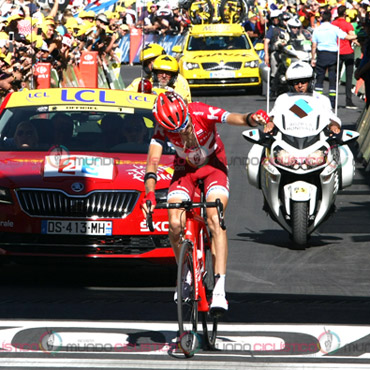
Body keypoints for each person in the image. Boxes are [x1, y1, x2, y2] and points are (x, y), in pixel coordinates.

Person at [140, 92, 267, 313]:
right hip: (185, 170)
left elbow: (232, 117)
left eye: (185, 126)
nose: (183, 133)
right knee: (175, 222)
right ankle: (186, 272)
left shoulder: (200, 110)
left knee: (214, 218)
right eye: (175, 132)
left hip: (214, 168)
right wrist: (149, 193)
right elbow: (152, 163)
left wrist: (251, 118)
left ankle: (219, 288)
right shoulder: (161, 129)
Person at [261, 61, 341, 134]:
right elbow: (272, 116)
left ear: (310, 81)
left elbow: (331, 118)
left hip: (317, 142)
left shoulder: (322, 99)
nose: (300, 85)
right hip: (286, 141)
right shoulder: (283, 98)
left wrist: (333, 126)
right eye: (296, 83)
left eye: (303, 82)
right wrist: (270, 123)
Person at [311, 10, 357, 108]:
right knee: (332, 78)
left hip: (321, 54)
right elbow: (346, 36)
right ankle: (332, 102)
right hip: (332, 55)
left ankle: (318, 101)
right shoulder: (334, 28)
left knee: (320, 78)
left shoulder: (317, 29)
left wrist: (313, 58)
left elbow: (314, 46)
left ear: (322, 18)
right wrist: (358, 36)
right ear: (331, 18)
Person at [332, 5, 358, 109]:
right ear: (345, 14)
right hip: (347, 52)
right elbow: (353, 37)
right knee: (348, 77)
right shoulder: (348, 25)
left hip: (337, 52)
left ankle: (333, 100)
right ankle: (348, 101)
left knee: (335, 77)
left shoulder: (333, 24)